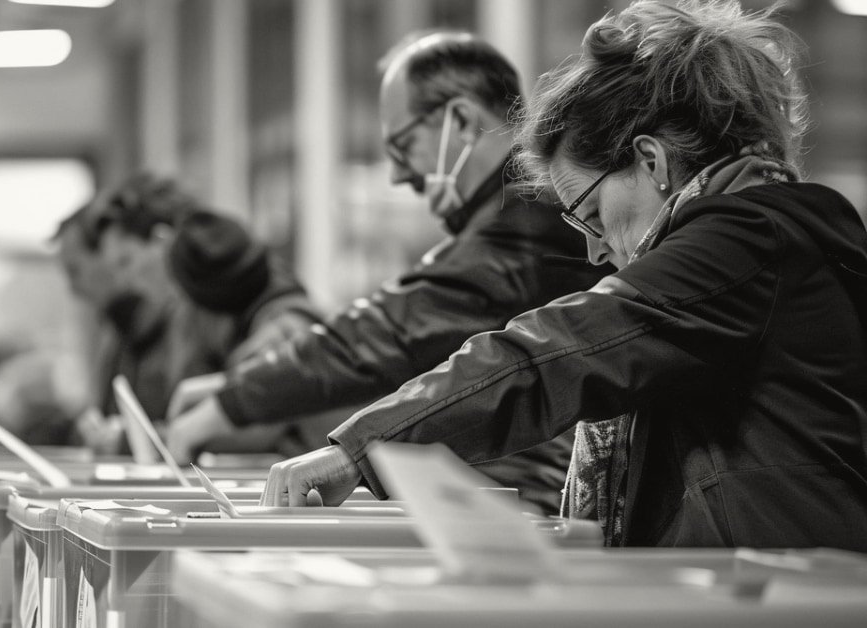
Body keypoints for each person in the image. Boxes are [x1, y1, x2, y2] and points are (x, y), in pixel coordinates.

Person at [258, 0, 867, 551]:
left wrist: (360, 449)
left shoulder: (749, 242)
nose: (598, 253)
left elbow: (557, 353)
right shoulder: (763, 238)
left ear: (652, 161)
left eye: (592, 214)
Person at [165, 31, 611, 515]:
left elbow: (384, 332)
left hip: (533, 510)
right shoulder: (503, 221)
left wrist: (230, 403)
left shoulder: (525, 220)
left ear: (460, 119)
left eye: (402, 146)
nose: (398, 175)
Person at [52, 174, 322, 454]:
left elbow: (259, 421)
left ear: (164, 243)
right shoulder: (195, 316)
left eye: (126, 262)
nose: (127, 282)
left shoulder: (282, 321)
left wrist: (140, 440)